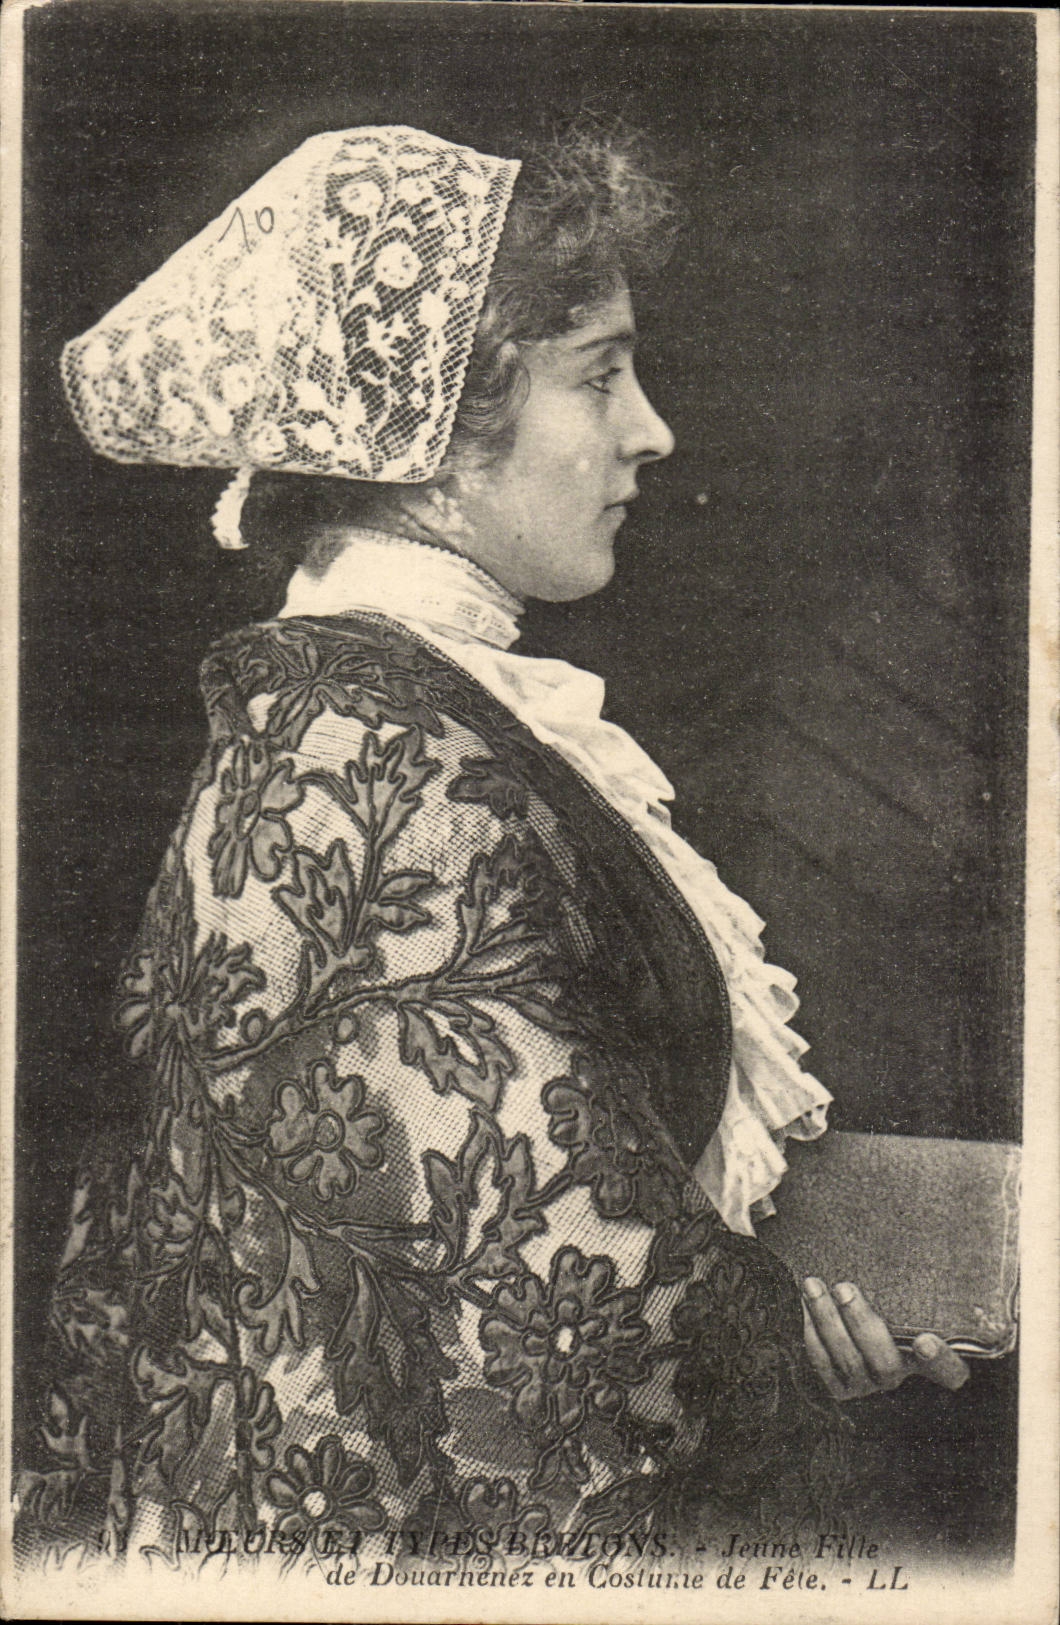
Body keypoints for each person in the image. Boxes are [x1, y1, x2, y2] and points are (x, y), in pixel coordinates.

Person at [18, 123, 966, 1567]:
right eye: (599, 374)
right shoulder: (379, 755)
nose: (651, 430)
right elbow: (532, 1306)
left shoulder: (379, 708)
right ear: (440, 433)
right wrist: (793, 1338)